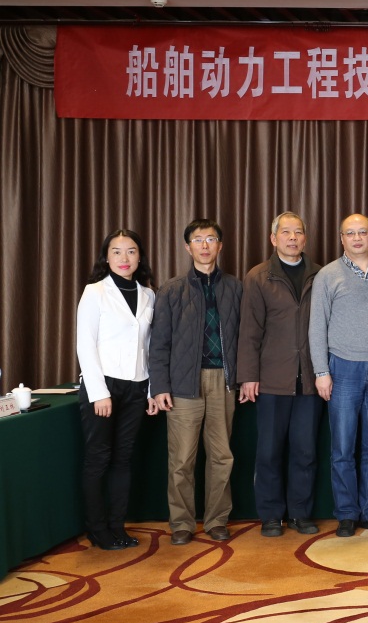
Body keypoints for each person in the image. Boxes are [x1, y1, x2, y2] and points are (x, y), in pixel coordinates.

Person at [149, 219, 243, 545]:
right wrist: (160, 386)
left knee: (221, 456)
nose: (205, 245)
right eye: (198, 240)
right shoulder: (172, 289)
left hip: (223, 382)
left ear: (220, 246)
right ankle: (182, 523)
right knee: (181, 460)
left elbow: (245, 338)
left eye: (211, 239)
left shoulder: (235, 288)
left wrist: (243, 378)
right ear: (188, 247)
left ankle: (217, 519)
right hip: (182, 383)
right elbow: (158, 343)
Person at [238, 211, 322, 538]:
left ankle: (300, 513)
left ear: (305, 238)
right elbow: (249, 331)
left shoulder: (320, 274)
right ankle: (271, 515)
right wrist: (248, 376)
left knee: (305, 451)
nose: (292, 238)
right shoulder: (258, 277)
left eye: (298, 232)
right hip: (272, 379)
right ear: (273, 238)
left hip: (310, 380)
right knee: (269, 451)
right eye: (285, 232)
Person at [310, 214, 368, 538]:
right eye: (350, 233)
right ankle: (346, 513)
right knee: (343, 449)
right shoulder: (327, 275)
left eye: (362, 232)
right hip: (342, 368)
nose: (357, 238)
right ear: (341, 238)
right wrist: (322, 372)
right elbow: (317, 326)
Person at [76, 229, 158, 550]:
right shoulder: (95, 292)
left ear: (140, 257)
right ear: (106, 257)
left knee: (123, 459)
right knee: (98, 458)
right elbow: (85, 344)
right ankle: (97, 530)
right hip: (104, 387)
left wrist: (150, 391)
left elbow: (149, 347)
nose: (124, 258)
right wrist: (99, 392)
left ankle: (116, 526)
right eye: (117, 251)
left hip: (137, 387)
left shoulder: (148, 295)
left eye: (131, 251)